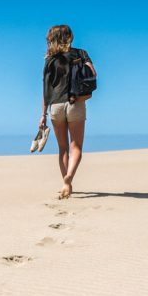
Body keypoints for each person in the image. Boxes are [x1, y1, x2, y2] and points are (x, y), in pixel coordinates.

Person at [40, 24, 87, 199]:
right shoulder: (80, 54)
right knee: (77, 147)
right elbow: (93, 74)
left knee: (63, 148)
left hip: (56, 106)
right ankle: (69, 178)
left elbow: (45, 90)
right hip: (76, 102)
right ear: (70, 37)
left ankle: (65, 182)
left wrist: (42, 115)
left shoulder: (50, 59)